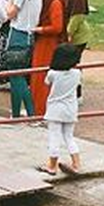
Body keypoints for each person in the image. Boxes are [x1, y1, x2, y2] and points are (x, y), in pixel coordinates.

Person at [2, 0, 42, 117]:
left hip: (18, 33)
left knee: (16, 77)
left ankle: (28, 112)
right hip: (29, 35)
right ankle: (18, 112)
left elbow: (9, 14)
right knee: (18, 77)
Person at [40, 42, 82, 175]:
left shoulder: (53, 73)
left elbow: (47, 82)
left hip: (55, 109)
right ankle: (76, 163)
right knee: (69, 137)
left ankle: (52, 166)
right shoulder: (77, 73)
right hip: (71, 109)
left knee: (54, 137)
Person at [31, 0, 67, 114]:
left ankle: (41, 110)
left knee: (42, 77)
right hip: (44, 42)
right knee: (38, 77)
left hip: (48, 44)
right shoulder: (50, 0)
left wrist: (40, 29)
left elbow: (57, 27)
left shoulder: (55, 2)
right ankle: (37, 108)